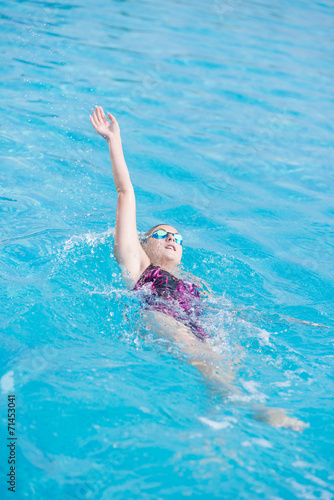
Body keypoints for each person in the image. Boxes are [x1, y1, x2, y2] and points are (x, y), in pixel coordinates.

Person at [90, 106, 308, 431]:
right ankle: (257, 410)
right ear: (145, 242)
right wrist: (113, 142)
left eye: (178, 237)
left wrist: (285, 321)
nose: (172, 239)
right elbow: (126, 193)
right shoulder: (138, 263)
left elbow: (226, 311)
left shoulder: (191, 280)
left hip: (197, 323)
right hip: (157, 315)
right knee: (209, 364)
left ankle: (213, 432)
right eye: (163, 234)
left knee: (222, 368)